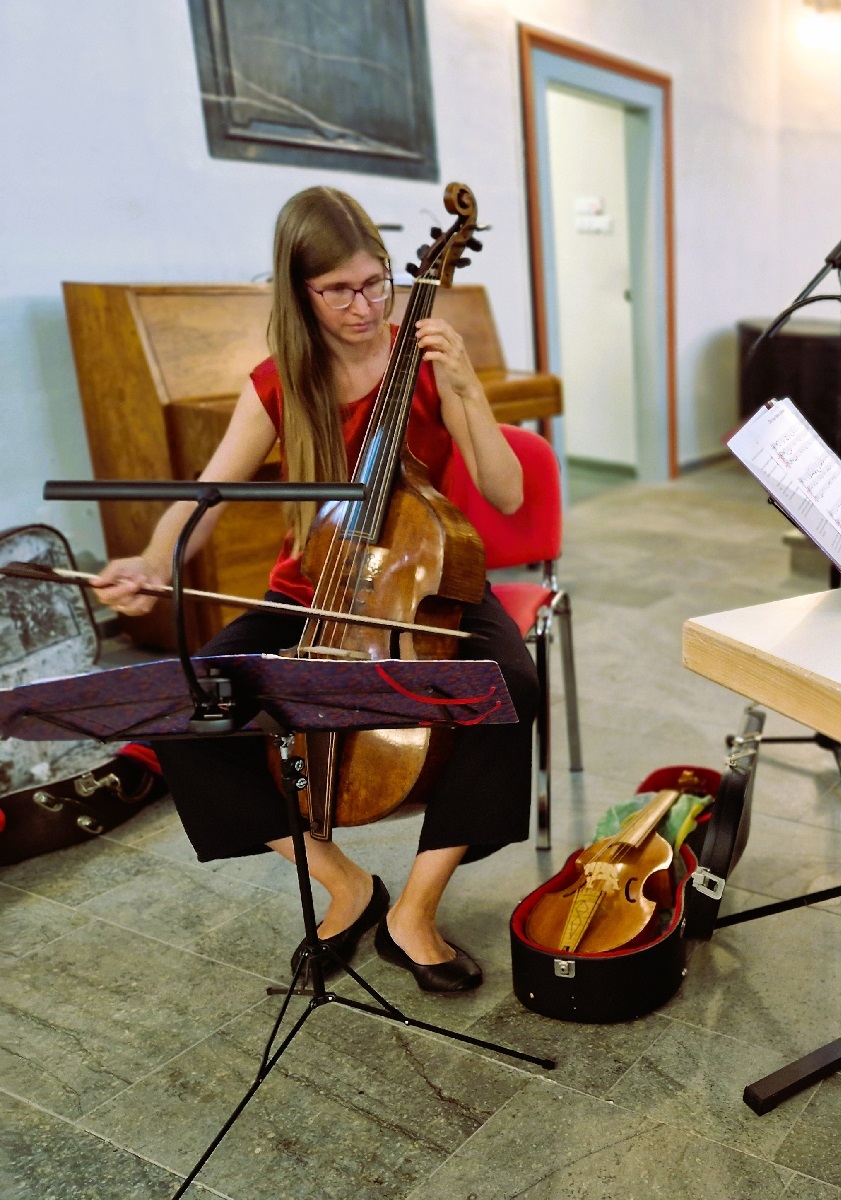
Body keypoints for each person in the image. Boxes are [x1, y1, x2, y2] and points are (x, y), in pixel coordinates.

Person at [93, 186, 535, 993]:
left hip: (422, 579)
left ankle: (415, 910)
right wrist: (156, 559)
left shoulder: (428, 361)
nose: (363, 306)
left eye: (375, 284)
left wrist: (467, 388)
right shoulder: (279, 382)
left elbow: (505, 495)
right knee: (179, 706)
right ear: (300, 294)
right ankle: (346, 886)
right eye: (337, 291)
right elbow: (210, 492)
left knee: (511, 686)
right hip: (317, 587)